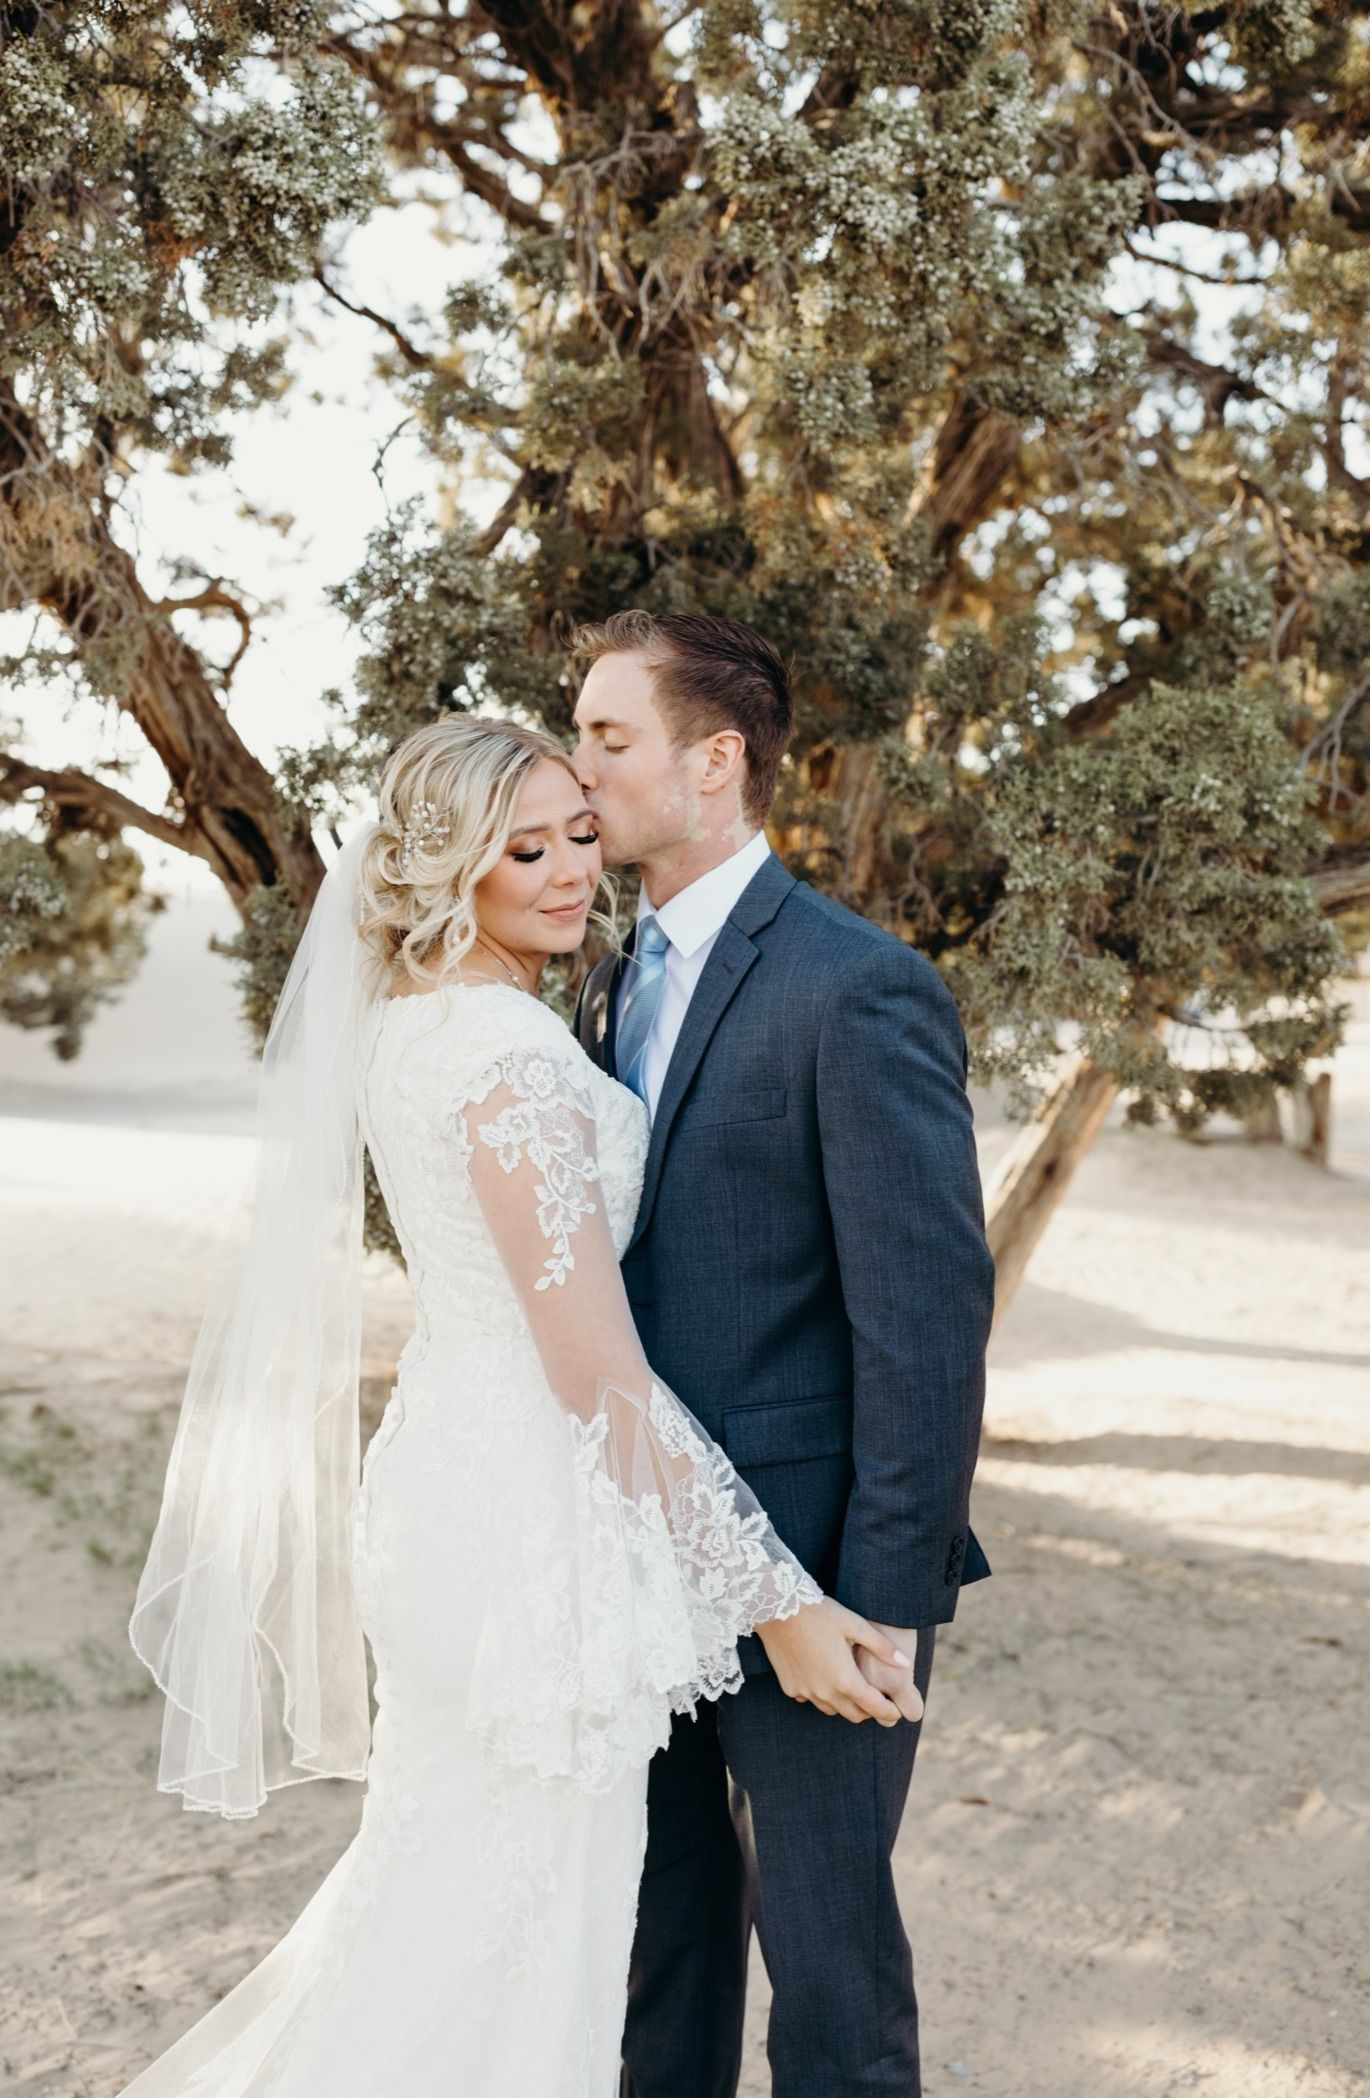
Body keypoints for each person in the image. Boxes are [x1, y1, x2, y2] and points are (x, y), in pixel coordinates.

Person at [118, 713, 915, 2098]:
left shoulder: (411, 1029)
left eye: (578, 835)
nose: (566, 874)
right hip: (525, 1527)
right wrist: (778, 1601)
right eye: (522, 847)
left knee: (455, 1892)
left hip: (454, 1478)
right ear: (448, 868)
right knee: (529, 1924)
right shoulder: (505, 1055)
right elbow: (596, 1375)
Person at [568, 610, 995, 2098]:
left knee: (828, 1981)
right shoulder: (610, 973)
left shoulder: (854, 983)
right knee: (658, 1945)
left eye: (608, 737)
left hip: (816, 1576)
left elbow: (926, 1319)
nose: (578, 769)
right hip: (641, 1559)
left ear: (715, 761)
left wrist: (877, 1597)